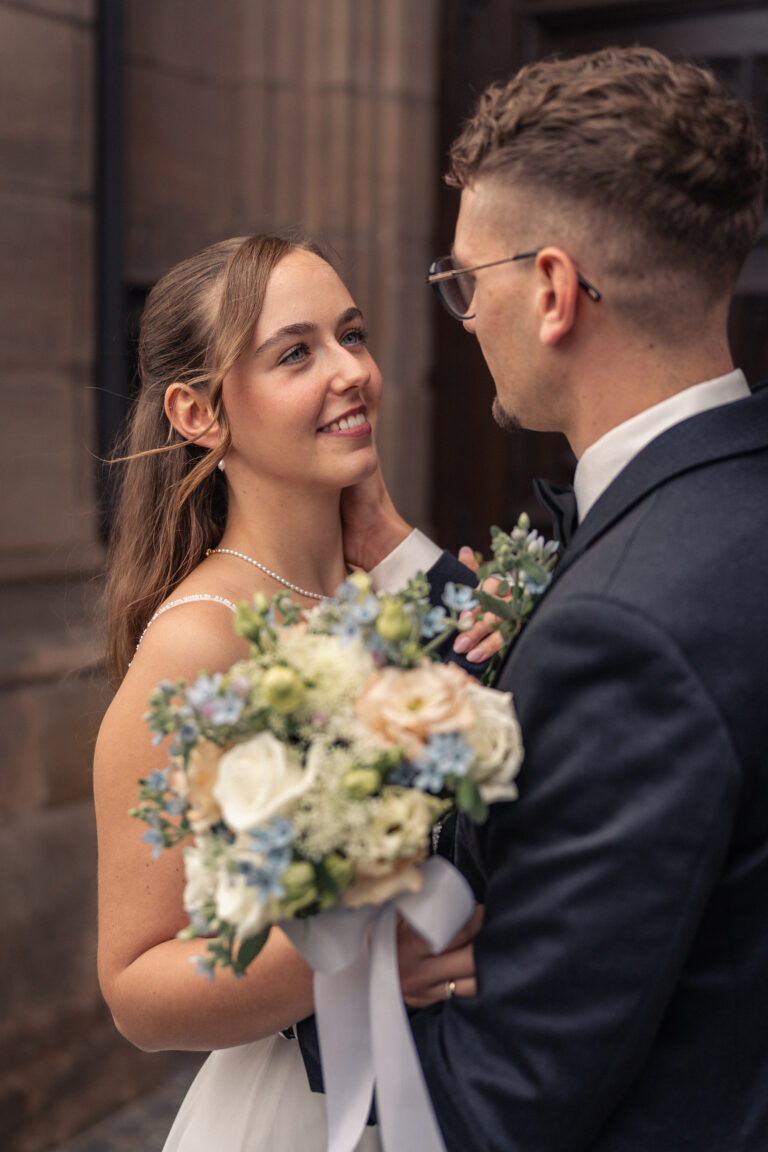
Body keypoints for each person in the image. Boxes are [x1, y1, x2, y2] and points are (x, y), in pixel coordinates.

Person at [300, 46, 768, 1151]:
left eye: (468, 282)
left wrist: (321, 983)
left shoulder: (624, 634)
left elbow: (501, 1102)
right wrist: (401, 554)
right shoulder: (723, 508)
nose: (464, 318)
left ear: (554, 291)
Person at [93, 233, 487, 1151]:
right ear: (198, 411)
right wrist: (356, 958)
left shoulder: (390, 593)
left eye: (352, 335)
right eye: (295, 353)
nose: (352, 372)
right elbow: (136, 988)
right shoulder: (200, 640)